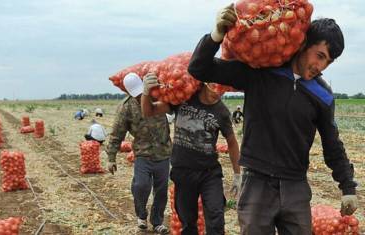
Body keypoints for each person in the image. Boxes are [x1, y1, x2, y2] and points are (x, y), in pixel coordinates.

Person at [188, 6, 358, 234]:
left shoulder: (323, 95)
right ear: (305, 43)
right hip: (257, 183)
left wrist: (347, 186)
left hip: (296, 186)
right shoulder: (261, 72)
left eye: (328, 62)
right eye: (319, 56)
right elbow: (199, 68)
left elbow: (332, 145)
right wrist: (215, 35)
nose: (321, 67)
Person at [142, 74, 241, 235]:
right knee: (188, 222)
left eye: (223, 88)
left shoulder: (221, 111)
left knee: (216, 216)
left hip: (210, 173)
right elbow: (149, 111)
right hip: (183, 172)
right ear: (206, 82)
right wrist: (146, 92)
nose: (219, 91)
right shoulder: (184, 97)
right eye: (216, 85)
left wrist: (237, 174)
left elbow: (232, 142)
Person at [105, 72, 172, 234]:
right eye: (135, 94)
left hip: (163, 152)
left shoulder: (157, 96)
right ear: (128, 92)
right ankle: (141, 215)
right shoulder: (126, 107)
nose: (139, 96)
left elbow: (175, 106)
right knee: (141, 185)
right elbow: (116, 133)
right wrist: (111, 157)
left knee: (161, 190)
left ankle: (157, 222)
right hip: (143, 153)